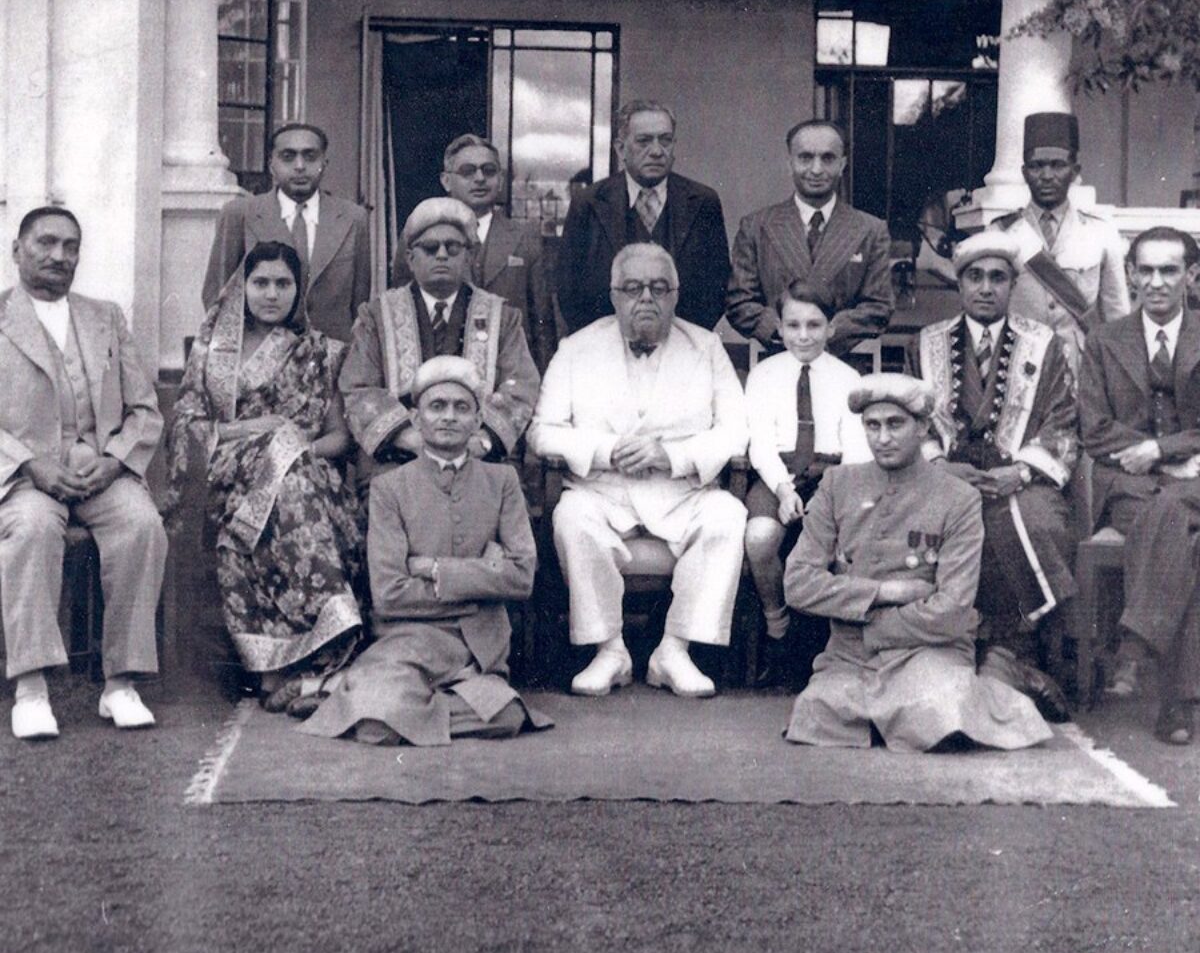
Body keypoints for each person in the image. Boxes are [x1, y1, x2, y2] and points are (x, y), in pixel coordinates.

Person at [783, 373, 1053, 752]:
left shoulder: (958, 497)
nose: (883, 437)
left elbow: (952, 609)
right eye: (872, 426)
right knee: (817, 715)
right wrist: (882, 591)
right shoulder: (837, 484)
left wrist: (867, 623)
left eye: (896, 424)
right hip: (850, 655)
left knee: (940, 718)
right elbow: (797, 584)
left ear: (923, 427)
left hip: (927, 648)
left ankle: (1000, 676)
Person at [530, 243, 749, 698]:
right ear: (614, 295)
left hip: (681, 493)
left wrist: (672, 456)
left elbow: (736, 431)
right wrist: (607, 450)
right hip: (603, 493)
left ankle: (675, 650)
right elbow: (541, 432)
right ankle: (610, 651)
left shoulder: (706, 347)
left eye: (658, 288)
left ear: (675, 295)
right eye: (633, 288)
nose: (645, 298)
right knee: (571, 518)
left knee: (728, 515)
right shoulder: (576, 348)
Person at [301, 356, 551, 745]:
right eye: (437, 407)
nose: (448, 417)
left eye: (461, 407)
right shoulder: (389, 488)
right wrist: (482, 583)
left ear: (477, 420)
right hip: (407, 641)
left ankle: (355, 694)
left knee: (506, 715)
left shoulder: (502, 481)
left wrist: (433, 569)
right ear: (416, 420)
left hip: (478, 646)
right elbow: (388, 595)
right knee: (376, 731)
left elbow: (521, 577)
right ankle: (377, 699)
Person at [166, 241, 365, 715]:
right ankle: (321, 660)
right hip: (223, 477)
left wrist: (290, 451)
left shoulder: (319, 352)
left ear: (299, 292)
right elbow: (187, 425)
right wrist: (255, 432)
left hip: (303, 478)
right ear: (242, 287)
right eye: (261, 283)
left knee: (279, 498)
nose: (272, 294)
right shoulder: (213, 350)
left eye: (283, 284)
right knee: (285, 488)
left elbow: (339, 438)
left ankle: (284, 670)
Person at [0, 206, 166, 739]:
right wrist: (30, 464)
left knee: (143, 528)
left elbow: (144, 409)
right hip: (25, 476)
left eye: (71, 246)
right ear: (16, 250)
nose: (59, 256)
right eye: (46, 243)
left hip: (101, 472)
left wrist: (115, 459)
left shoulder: (106, 317)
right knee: (29, 531)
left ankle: (120, 683)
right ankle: (30, 689)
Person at [909, 231, 1078, 722]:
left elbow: (1063, 422)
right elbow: (912, 420)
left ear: (1012, 285)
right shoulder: (927, 344)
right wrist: (939, 467)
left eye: (997, 278)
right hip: (946, 476)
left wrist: (1021, 471)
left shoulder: (1043, 345)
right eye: (975, 277)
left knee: (1033, 524)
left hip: (1020, 476)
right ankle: (958, 655)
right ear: (960, 284)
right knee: (935, 525)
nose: (986, 287)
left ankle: (1013, 653)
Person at [1079, 226, 1200, 745]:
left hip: (1196, 478)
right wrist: (1154, 458)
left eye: (1169, 270)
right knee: (1182, 533)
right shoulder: (1105, 341)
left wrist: (1166, 450)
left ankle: (1132, 648)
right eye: (1145, 270)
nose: (1156, 282)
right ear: (1129, 274)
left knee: (1174, 515)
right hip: (1130, 486)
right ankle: (1176, 700)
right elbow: (1093, 427)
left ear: (1192, 276)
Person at [339, 197, 540, 489]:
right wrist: (415, 442)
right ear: (410, 258)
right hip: (399, 459)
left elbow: (521, 388)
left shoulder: (503, 319)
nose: (442, 255)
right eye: (430, 248)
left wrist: (479, 444)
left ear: (469, 257)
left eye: (453, 247)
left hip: (478, 460)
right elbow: (359, 389)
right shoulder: (376, 317)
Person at [743, 280, 872, 686]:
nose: (803, 335)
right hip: (777, 474)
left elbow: (855, 451)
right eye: (793, 325)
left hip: (833, 476)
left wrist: (830, 499)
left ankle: (835, 643)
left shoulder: (849, 377)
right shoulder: (763, 375)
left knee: (846, 546)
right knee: (761, 537)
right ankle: (776, 623)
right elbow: (760, 443)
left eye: (814, 325)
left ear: (831, 328)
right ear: (778, 327)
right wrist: (782, 490)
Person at [557, 100, 730, 333]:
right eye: (644, 141)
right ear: (620, 149)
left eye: (665, 140)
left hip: (681, 351)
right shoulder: (588, 203)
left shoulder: (703, 202)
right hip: (607, 351)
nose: (657, 151)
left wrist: (681, 341)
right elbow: (569, 290)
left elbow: (717, 288)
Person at [726, 119, 893, 359]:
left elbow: (879, 307)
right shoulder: (756, 226)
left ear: (842, 164)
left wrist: (826, 333)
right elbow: (739, 302)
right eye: (805, 158)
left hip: (844, 364)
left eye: (828, 158)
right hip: (775, 360)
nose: (816, 169)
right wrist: (789, 332)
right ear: (789, 163)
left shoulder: (871, 230)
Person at [202, 122, 372, 343]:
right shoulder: (239, 214)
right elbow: (217, 296)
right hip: (259, 359)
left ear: (324, 163)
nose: (300, 166)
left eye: (310, 157)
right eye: (288, 157)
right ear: (272, 165)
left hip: (331, 360)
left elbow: (359, 304)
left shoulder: (353, 218)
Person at [991, 112, 1130, 373]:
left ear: (1075, 171)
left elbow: (1117, 319)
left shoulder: (1101, 232)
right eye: (1036, 166)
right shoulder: (1001, 232)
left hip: (1080, 369)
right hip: (1017, 367)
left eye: (1057, 165)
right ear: (1024, 172)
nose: (1046, 175)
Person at [437, 133, 558, 372]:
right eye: (468, 171)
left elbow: (542, 322)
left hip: (509, 374)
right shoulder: (424, 236)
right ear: (446, 181)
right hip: (445, 374)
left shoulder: (526, 237)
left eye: (489, 170)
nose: (480, 178)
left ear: (501, 180)